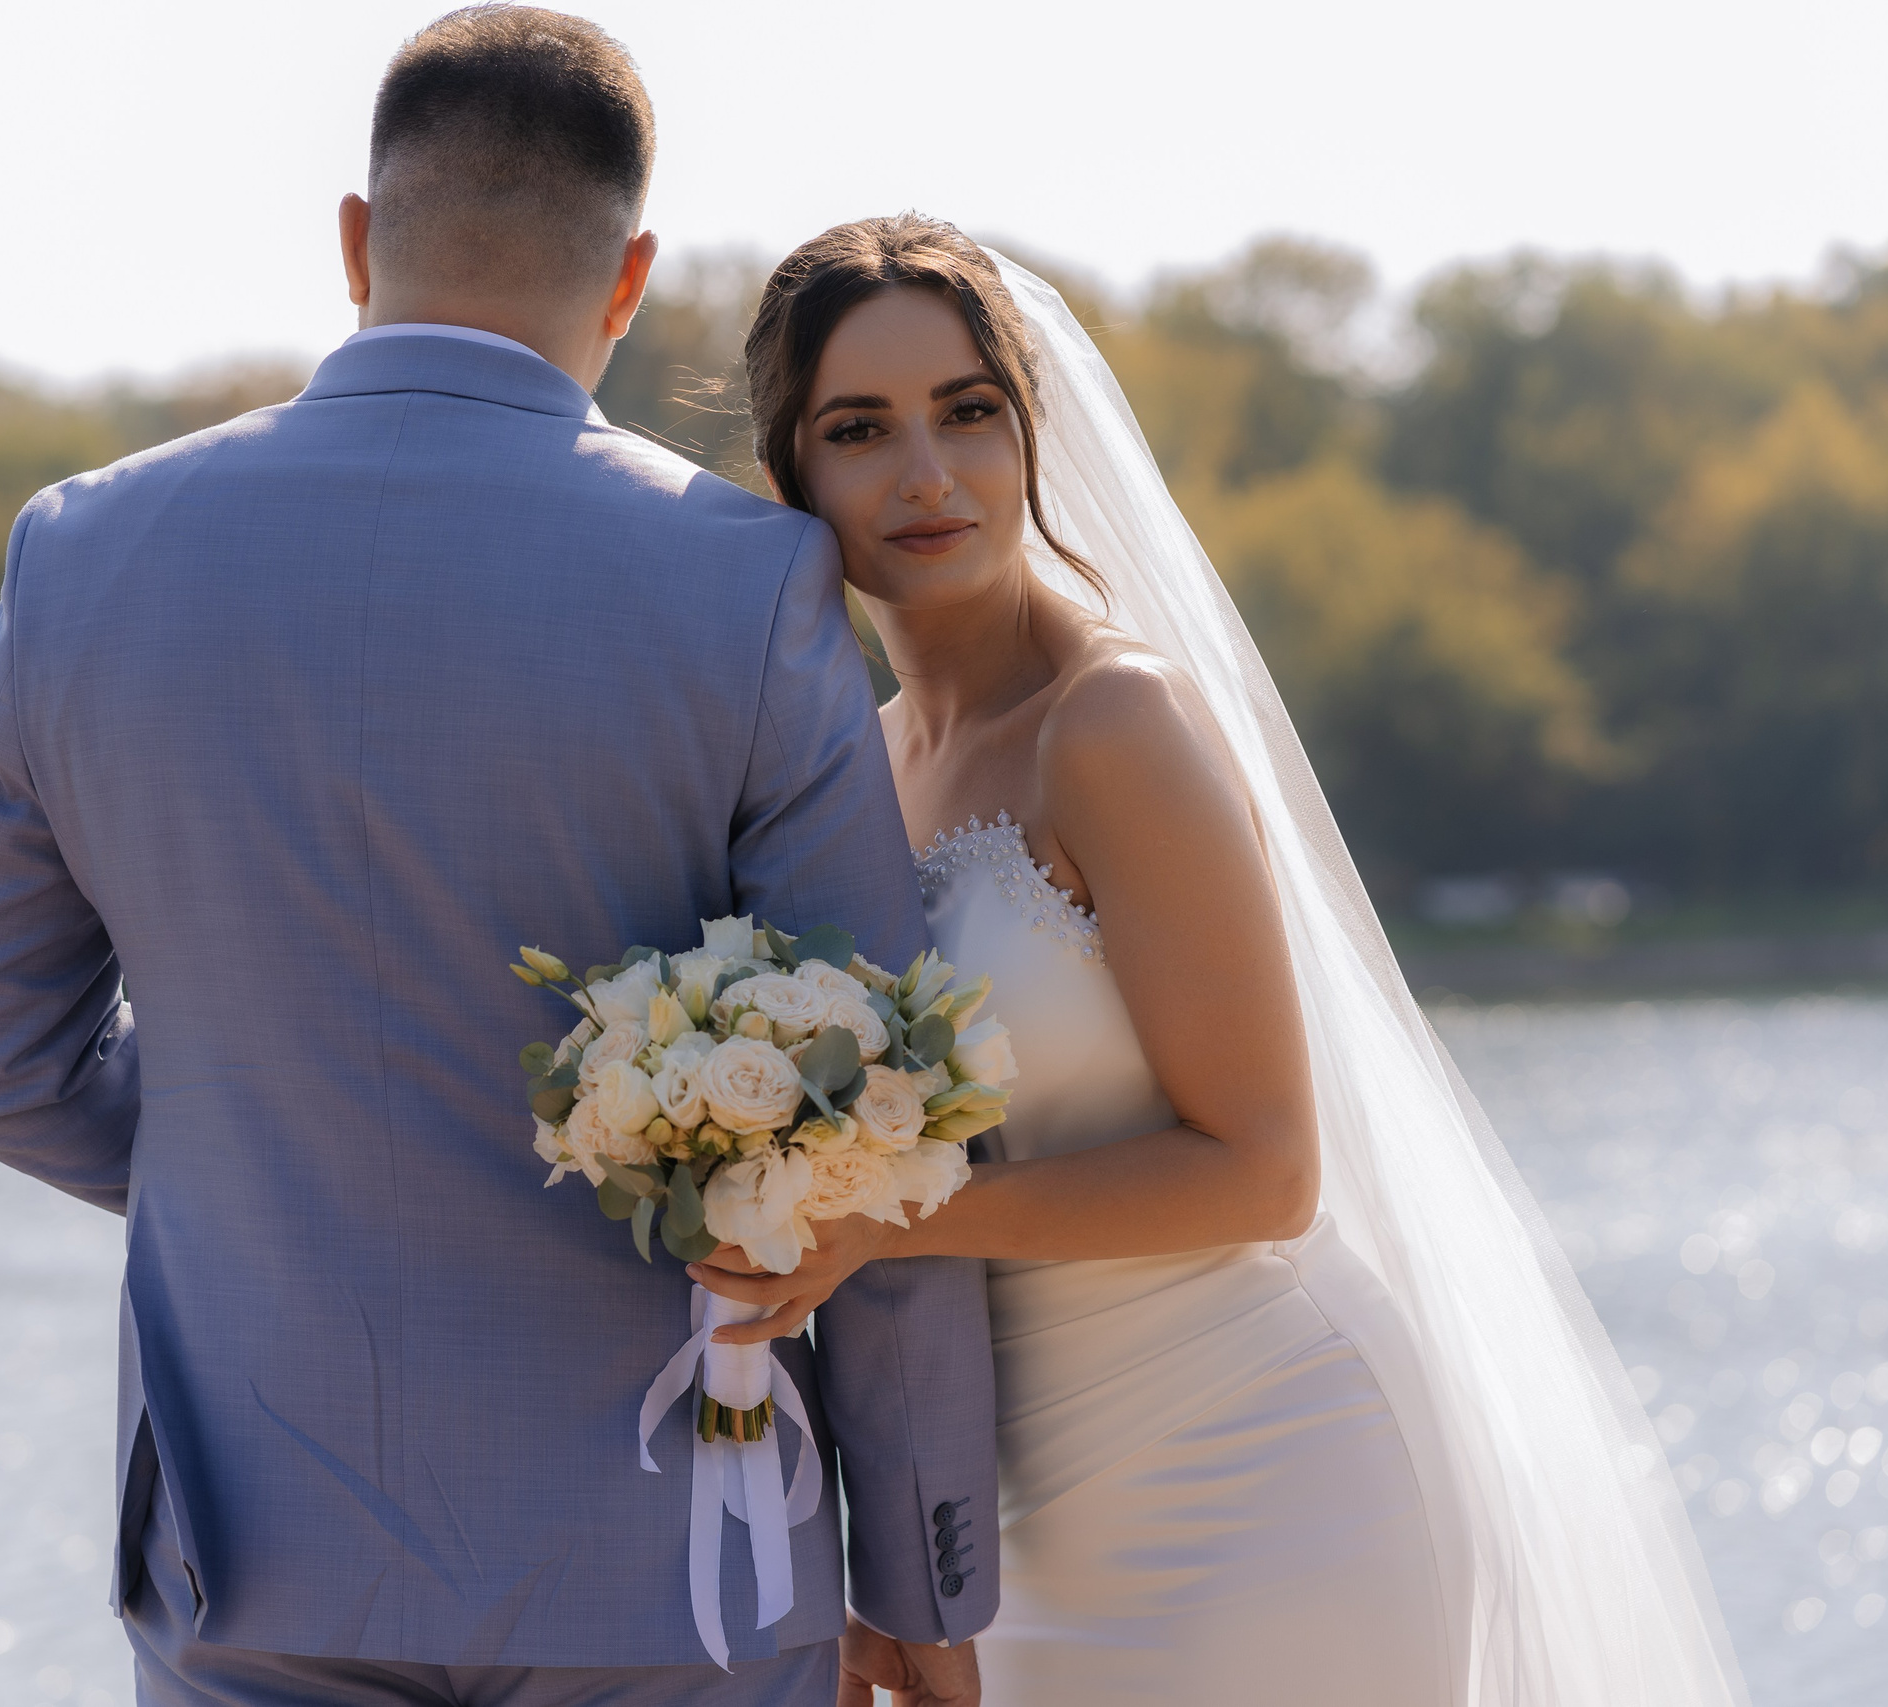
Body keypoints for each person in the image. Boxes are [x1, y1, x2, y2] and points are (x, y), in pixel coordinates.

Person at [0, 16, 995, 1706]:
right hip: (679, 1574)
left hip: (249, 1551)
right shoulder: (748, 586)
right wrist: (927, 1576)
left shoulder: (82, 553)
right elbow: (874, 1122)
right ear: (629, 277)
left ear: (356, 241)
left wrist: (263, 1159)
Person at [689, 217, 1751, 1707]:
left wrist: (887, 1225)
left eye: (968, 412)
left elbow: (1264, 1171)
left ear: (1031, 430)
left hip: (1267, 1479)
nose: (926, 473)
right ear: (792, 474)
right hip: (1027, 1541)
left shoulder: (1113, 726)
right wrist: (891, 1580)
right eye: (861, 430)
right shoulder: (858, 773)